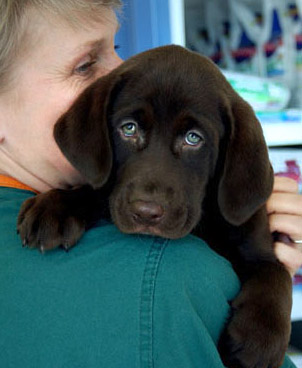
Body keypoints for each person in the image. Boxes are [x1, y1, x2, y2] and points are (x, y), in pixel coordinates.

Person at [0, 1, 301, 367]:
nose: (119, 71)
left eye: (117, 49)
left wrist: (272, 283)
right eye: (85, 65)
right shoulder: (170, 280)